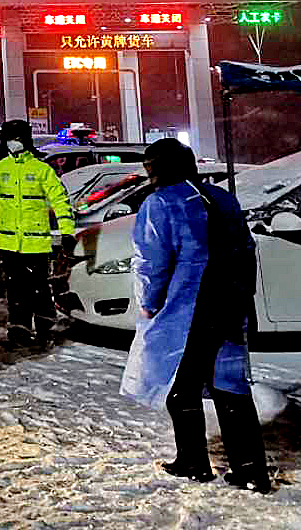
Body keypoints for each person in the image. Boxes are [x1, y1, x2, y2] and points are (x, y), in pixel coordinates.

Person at [120, 138, 270, 492]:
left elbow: (151, 261)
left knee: (180, 386)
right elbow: (246, 249)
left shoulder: (160, 203)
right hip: (229, 303)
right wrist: (243, 295)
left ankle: (193, 461)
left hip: (189, 308)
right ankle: (251, 470)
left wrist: (149, 302)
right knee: (230, 386)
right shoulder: (222, 197)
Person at [0, 119, 73, 349]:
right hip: (9, 243)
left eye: (18, 138)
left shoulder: (41, 170)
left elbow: (60, 201)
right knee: (15, 290)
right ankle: (18, 331)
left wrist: (67, 232)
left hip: (36, 244)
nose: (14, 143)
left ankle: (45, 330)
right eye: (10, 139)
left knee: (39, 288)